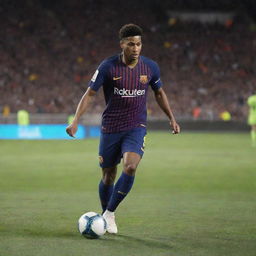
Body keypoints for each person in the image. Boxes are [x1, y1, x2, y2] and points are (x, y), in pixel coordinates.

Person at [66, 24, 180, 234]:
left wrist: (171, 118)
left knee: (130, 166)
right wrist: (75, 121)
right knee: (108, 175)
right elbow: (90, 93)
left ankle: (109, 212)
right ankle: (106, 214)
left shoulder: (150, 67)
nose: (136, 48)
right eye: (131, 44)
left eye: (138, 44)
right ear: (122, 45)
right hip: (111, 127)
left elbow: (159, 93)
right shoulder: (108, 66)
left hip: (136, 127)